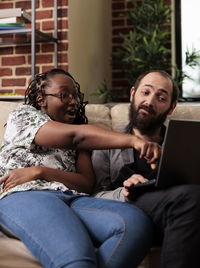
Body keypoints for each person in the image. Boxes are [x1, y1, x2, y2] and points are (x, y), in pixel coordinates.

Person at [0, 69, 161, 268]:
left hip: (73, 199)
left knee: (136, 225)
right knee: (76, 257)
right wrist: (135, 141)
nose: (73, 101)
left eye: (76, 96)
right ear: (41, 99)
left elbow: (86, 183)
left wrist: (41, 172)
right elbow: (76, 136)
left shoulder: (81, 134)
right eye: (64, 95)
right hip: (27, 195)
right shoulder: (23, 116)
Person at [92, 70, 200, 268]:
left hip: (182, 213)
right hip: (132, 209)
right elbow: (95, 197)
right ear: (133, 94)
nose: (149, 102)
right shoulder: (107, 144)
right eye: (145, 92)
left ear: (171, 107)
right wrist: (123, 192)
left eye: (161, 98)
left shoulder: (187, 142)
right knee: (191, 197)